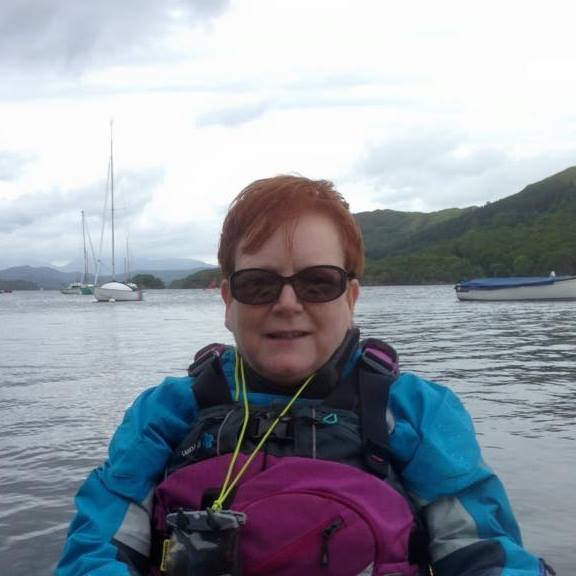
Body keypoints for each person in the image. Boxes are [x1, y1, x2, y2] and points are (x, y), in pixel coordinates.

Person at [57, 175, 549, 575]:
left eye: (317, 283)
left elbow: (485, 556)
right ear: (228, 302)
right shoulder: (164, 414)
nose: (287, 304)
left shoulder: (414, 411)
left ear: (350, 299)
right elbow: (96, 551)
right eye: (259, 284)